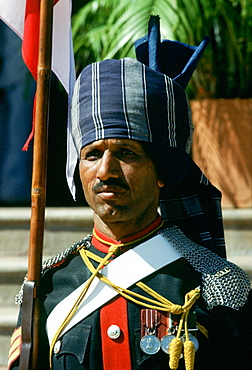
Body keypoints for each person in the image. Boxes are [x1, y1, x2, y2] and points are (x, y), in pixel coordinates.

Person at [8, 16, 252, 370]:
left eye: (126, 153)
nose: (105, 171)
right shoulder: (48, 285)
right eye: (92, 155)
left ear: (161, 174)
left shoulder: (214, 285)